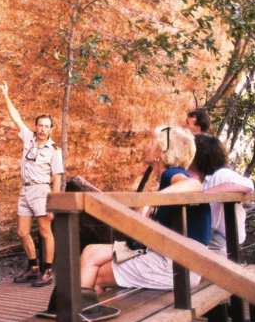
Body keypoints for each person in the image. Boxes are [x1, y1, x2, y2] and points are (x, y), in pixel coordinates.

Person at [77, 126, 206, 295]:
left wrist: (151, 200)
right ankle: (87, 311)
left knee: (97, 275)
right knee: (91, 252)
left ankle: (82, 317)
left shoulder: (172, 175)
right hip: (168, 253)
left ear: (160, 152)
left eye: (152, 143)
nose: (147, 147)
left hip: (178, 264)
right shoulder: (168, 180)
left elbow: (195, 185)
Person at [0, 81, 64, 287]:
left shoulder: (54, 149)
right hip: (25, 190)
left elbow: (58, 177)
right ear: (36, 126)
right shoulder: (28, 138)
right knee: (22, 232)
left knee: (45, 232)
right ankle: (33, 268)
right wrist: (6, 95)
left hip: (42, 191)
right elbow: (16, 117)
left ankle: (48, 272)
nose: (43, 129)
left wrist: (54, 203)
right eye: (40, 125)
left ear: (51, 129)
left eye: (47, 126)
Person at [188, 134, 254, 257]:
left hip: (223, 240)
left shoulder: (221, 174)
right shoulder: (202, 178)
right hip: (212, 237)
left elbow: (247, 185)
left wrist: (205, 194)